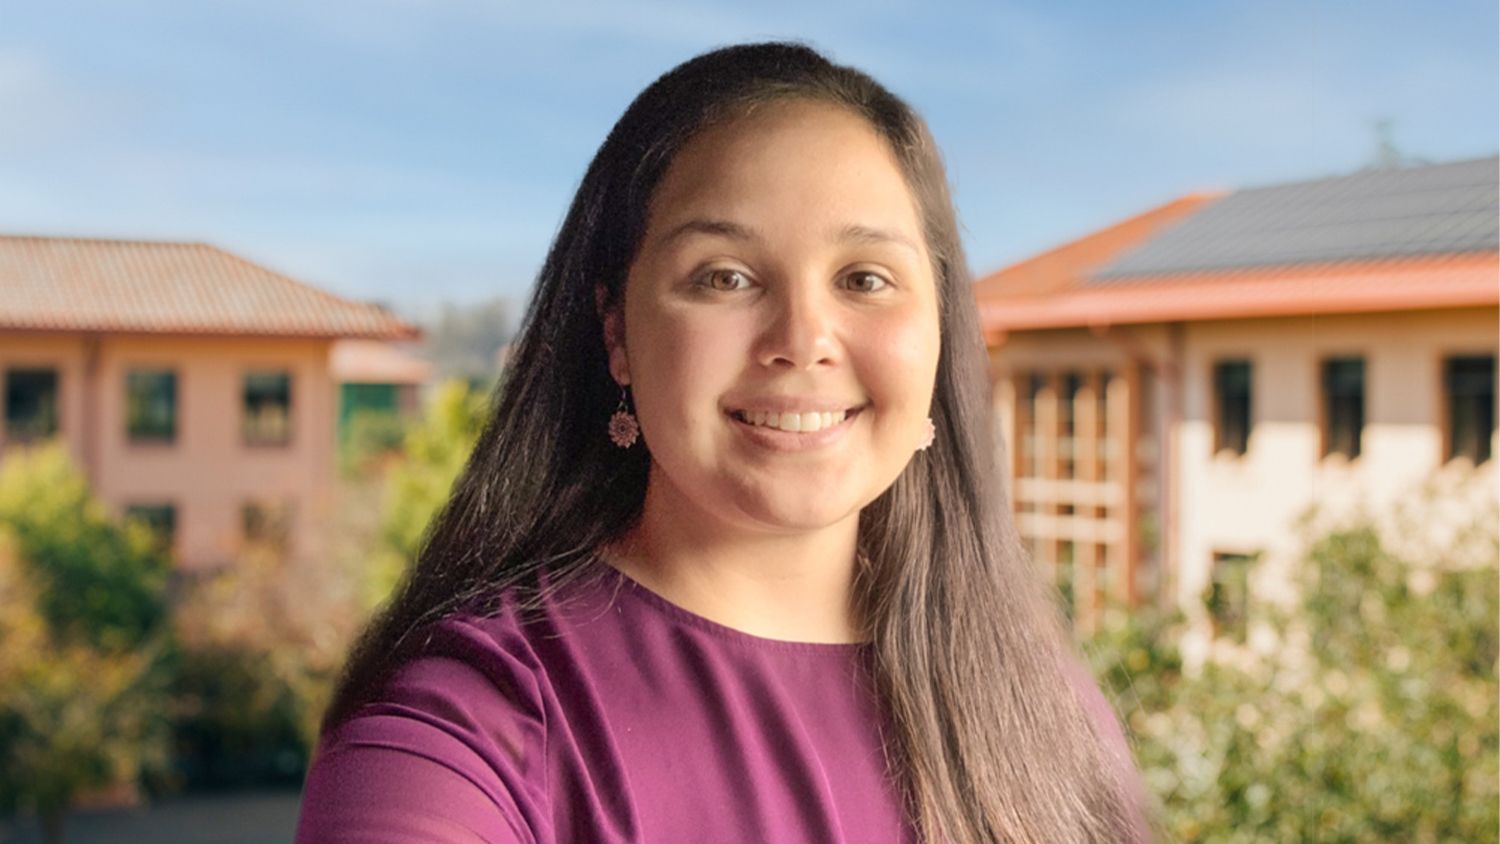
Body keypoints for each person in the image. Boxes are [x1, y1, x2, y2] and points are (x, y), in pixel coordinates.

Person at [296, 42, 1148, 843]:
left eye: (864, 279)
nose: (803, 337)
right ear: (617, 331)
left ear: (939, 335)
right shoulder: (465, 728)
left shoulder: (1043, 709)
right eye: (725, 277)